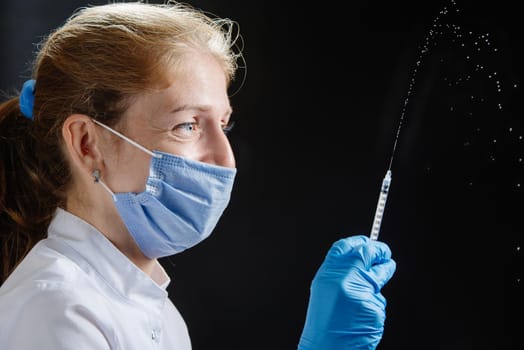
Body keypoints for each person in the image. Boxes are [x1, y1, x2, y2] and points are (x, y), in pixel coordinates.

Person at [0, 2, 396, 349]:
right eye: (187, 125)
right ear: (87, 143)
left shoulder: (155, 311)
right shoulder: (56, 312)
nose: (225, 161)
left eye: (223, 125)